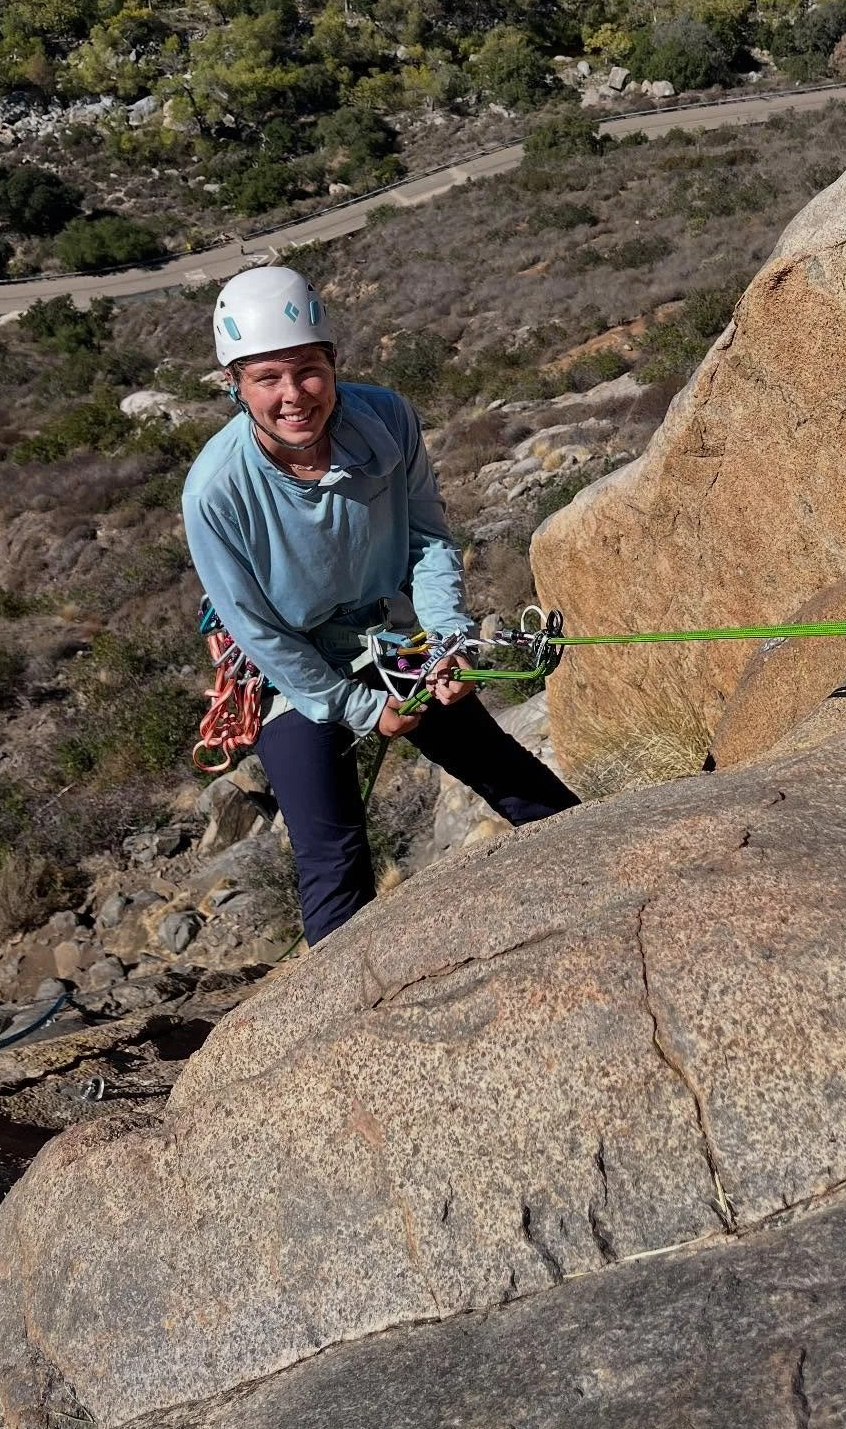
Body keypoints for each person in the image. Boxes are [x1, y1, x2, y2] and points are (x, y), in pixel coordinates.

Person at [182, 264, 578, 946]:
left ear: (332, 363)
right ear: (235, 385)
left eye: (307, 370)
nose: (293, 395)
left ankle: (612, 871)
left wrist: (449, 636)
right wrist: (362, 709)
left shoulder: (385, 420)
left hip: (392, 639)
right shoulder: (215, 492)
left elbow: (427, 538)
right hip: (294, 671)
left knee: (509, 774)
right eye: (266, 378)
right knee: (332, 855)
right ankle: (338, 1022)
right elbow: (260, 631)